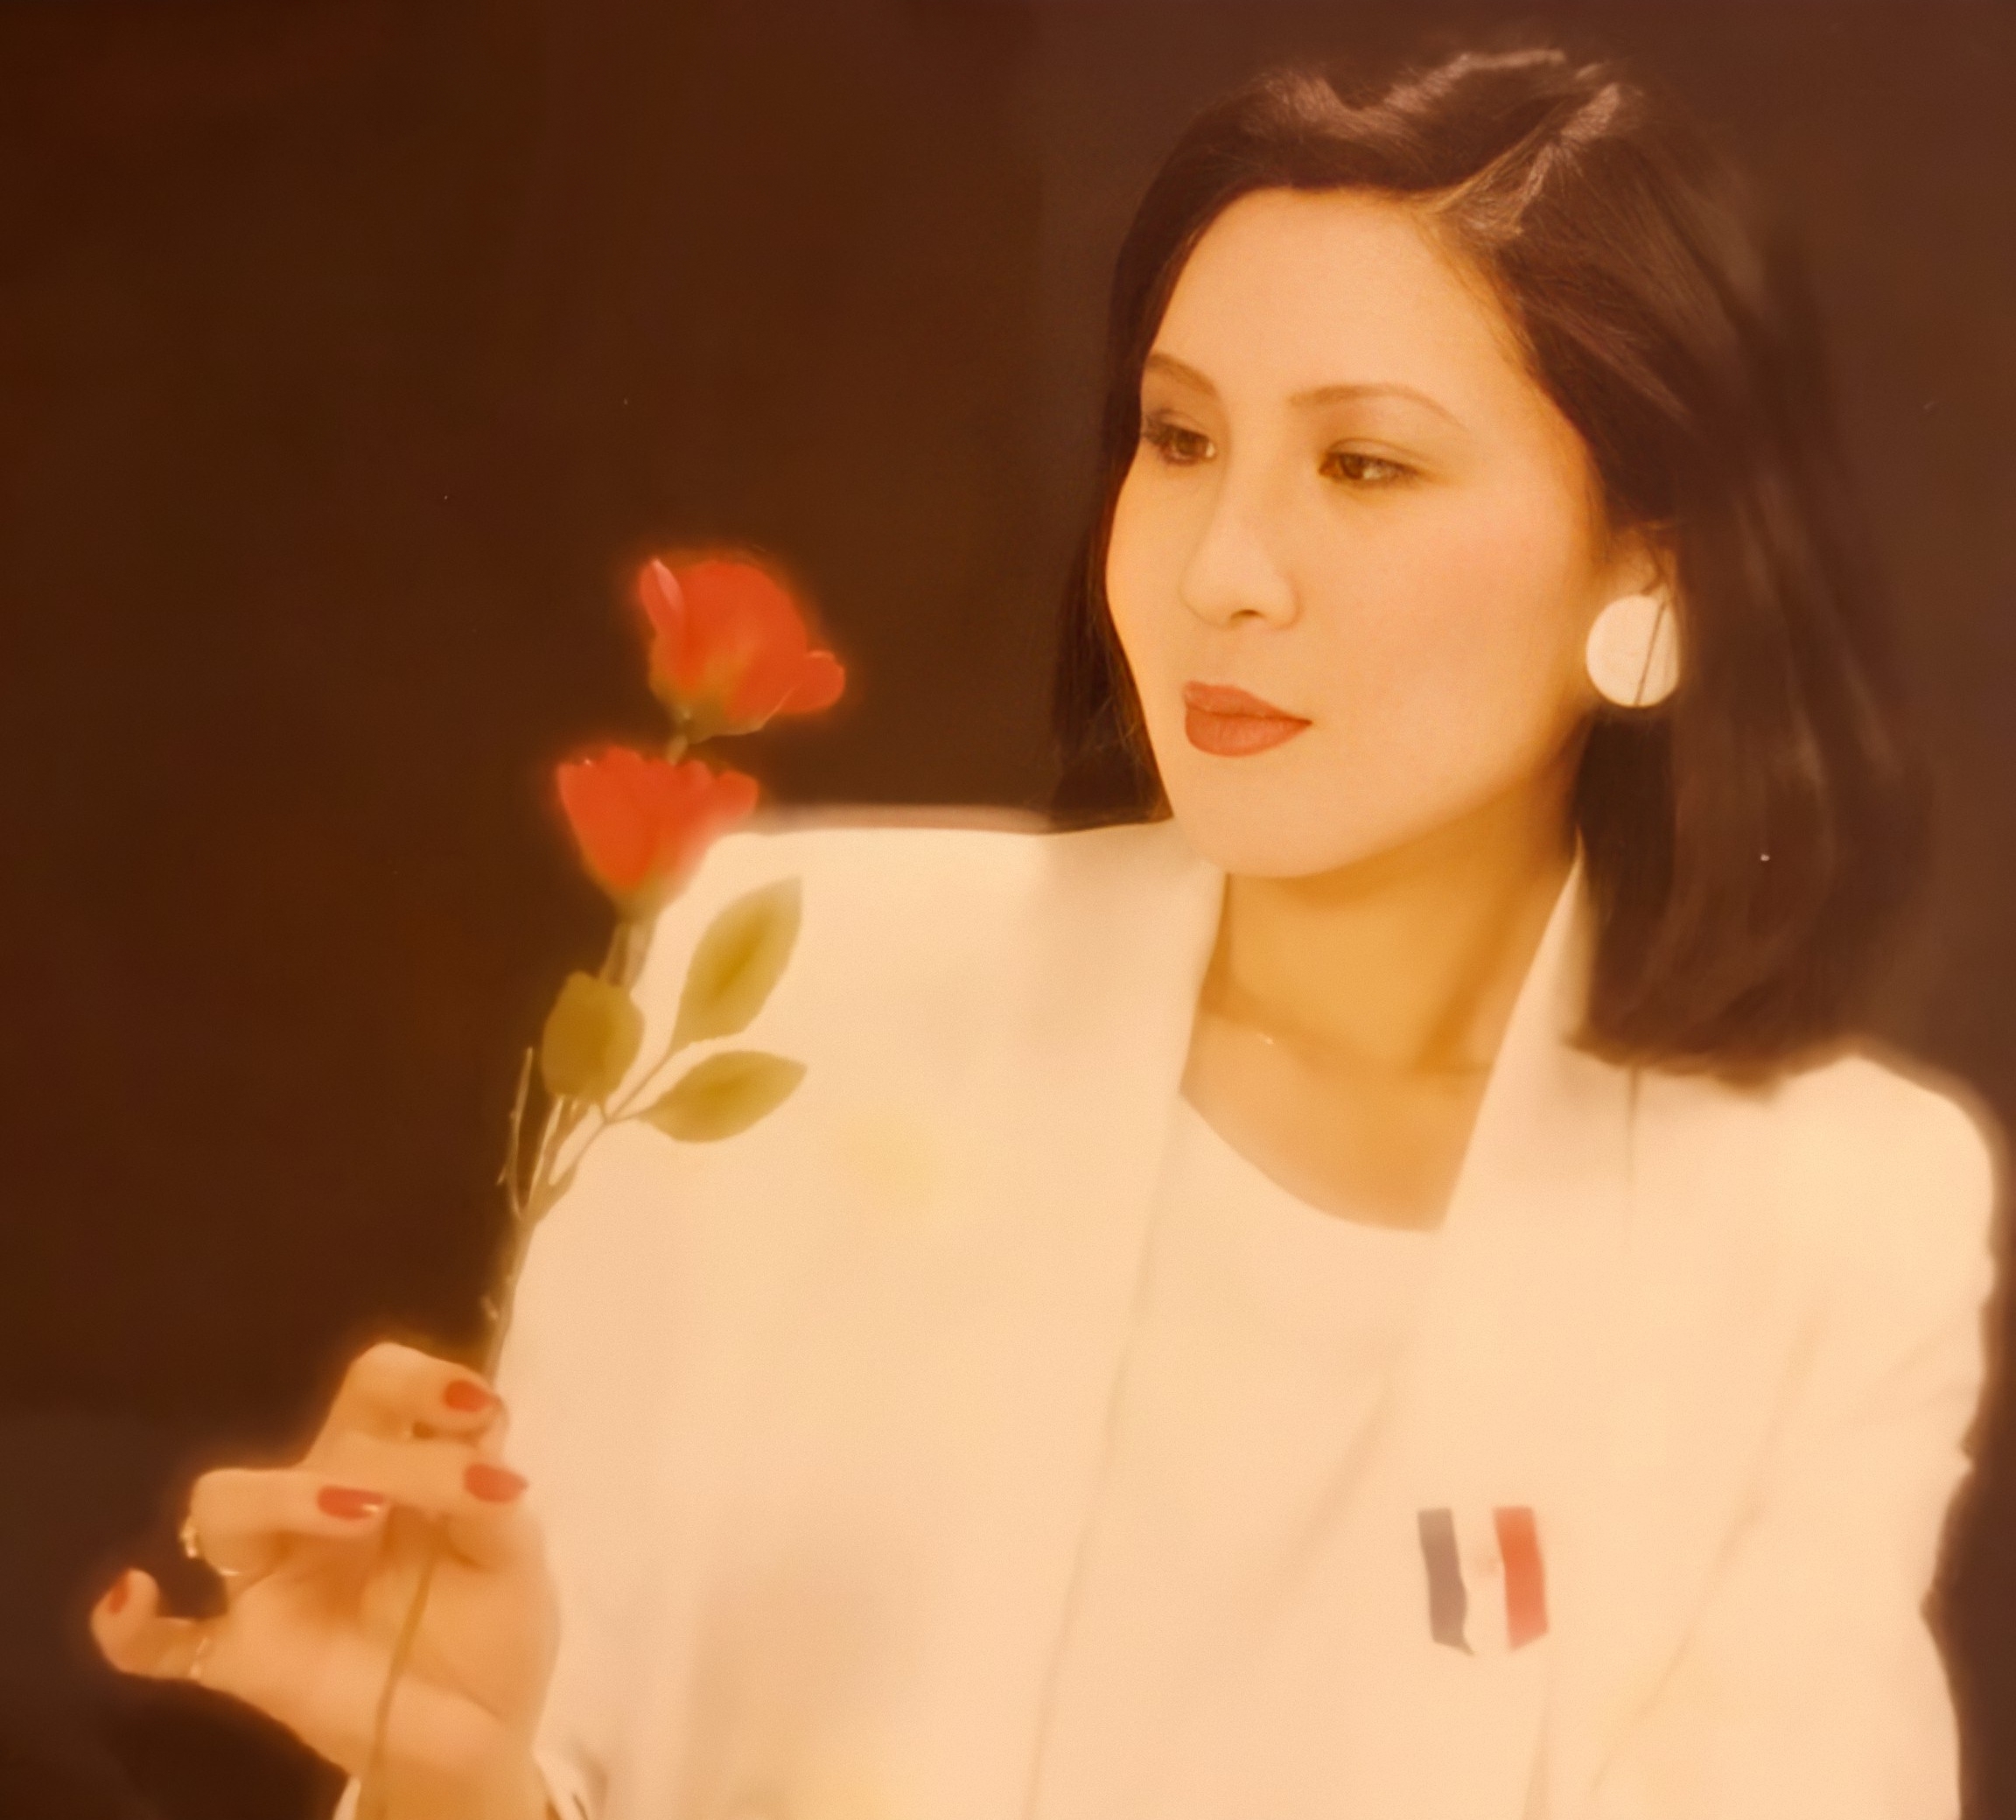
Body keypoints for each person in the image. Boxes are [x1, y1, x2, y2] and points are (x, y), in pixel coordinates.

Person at [89, 40, 2001, 1820]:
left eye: (1365, 464)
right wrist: (454, 1770)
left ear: (1650, 559)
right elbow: (554, 1751)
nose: (1221, 571)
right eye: (1178, 439)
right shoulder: (792, 982)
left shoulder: (1834, 1219)